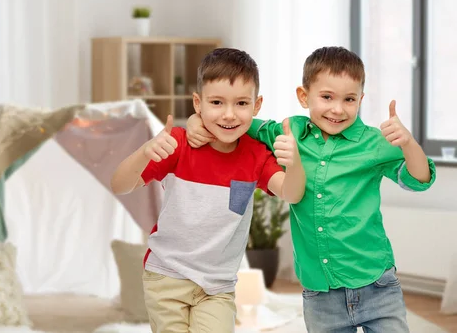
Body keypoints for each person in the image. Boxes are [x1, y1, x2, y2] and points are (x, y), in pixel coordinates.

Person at [185, 46, 436, 332]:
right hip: (320, 292)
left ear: (360, 100)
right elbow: (234, 125)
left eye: (349, 99)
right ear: (304, 97)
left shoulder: (374, 143)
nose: (338, 108)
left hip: (376, 283)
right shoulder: (289, 132)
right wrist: (195, 119)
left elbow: (419, 180)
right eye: (327, 97)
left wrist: (408, 142)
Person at [111, 48, 306, 333]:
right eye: (217, 102)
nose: (229, 114)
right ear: (198, 104)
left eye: (241, 103)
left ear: (256, 105)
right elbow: (120, 184)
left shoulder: (255, 155)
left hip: (218, 287)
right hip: (166, 277)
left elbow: (292, 194)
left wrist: (296, 162)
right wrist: (145, 152)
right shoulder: (177, 143)